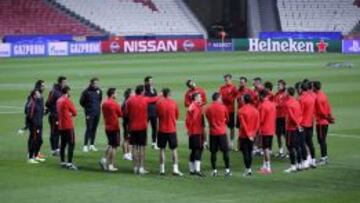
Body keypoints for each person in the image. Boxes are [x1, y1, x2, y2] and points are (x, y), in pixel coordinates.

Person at [125, 85, 159, 175]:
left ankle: (135, 167)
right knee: (142, 148)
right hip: (142, 127)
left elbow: (126, 113)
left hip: (132, 127)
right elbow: (154, 99)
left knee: (134, 148)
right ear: (142, 91)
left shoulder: (129, 100)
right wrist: (161, 94)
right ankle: (141, 168)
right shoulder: (145, 99)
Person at [156, 88, 183, 176]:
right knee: (174, 150)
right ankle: (175, 169)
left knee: (162, 150)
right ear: (169, 93)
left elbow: (157, 115)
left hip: (162, 130)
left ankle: (162, 170)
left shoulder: (159, 103)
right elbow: (177, 116)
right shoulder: (174, 102)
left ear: (163, 94)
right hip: (171, 129)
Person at [205, 92, 232, 177]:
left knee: (213, 152)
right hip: (222, 132)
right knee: (225, 152)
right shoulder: (223, 107)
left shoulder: (208, 108)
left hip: (213, 133)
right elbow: (227, 120)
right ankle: (227, 170)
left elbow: (208, 118)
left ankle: (214, 171)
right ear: (218, 98)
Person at [284, 87, 306, 173]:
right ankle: (300, 164)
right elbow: (300, 114)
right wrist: (299, 125)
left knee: (290, 147)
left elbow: (291, 116)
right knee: (297, 146)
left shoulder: (288, 103)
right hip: (297, 127)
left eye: (286, 91)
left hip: (290, 128)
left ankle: (293, 166)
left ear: (288, 93)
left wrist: (296, 124)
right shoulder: (297, 102)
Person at [99, 88, 122, 172]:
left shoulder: (104, 103)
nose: (116, 94)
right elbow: (120, 114)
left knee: (110, 144)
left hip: (107, 126)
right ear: (112, 94)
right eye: (116, 93)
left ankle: (104, 160)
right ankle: (110, 165)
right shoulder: (114, 103)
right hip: (114, 127)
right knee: (114, 146)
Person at [56, 86, 78, 170]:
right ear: (67, 91)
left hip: (61, 126)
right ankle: (69, 163)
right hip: (68, 125)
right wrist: (70, 114)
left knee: (63, 144)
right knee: (71, 144)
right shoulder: (67, 100)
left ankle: (62, 162)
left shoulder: (58, 100)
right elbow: (75, 113)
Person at [313, 81, 334, 165]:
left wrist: (327, 118)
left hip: (321, 122)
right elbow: (328, 106)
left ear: (314, 87)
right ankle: (324, 158)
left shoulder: (317, 97)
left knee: (321, 140)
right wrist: (329, 116)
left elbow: (321, 111)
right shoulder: (323, 94)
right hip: (325, 121)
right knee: (322, 140)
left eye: (312, 86)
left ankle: (324, 158)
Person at [238, 94, 260, 176]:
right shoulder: (255, 110)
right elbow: (257, 124)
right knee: (250, 151)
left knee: (245, 152)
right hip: (253, 135)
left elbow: (243, 125)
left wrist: (248, 134)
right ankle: (249, 169)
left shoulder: (241, 110)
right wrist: (253, 133)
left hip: (244, 135)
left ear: (244, 100)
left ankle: (247, 169)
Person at [186, 92, 206, 176]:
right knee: (198, 149)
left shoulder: (195, 105)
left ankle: (192, 170)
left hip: (194, 131)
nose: (201, 98)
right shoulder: (194, 106)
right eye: (199, 97)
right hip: (196, 131)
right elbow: (193, 119)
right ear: (195, 98)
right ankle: (197, 170)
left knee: (194, 150)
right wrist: (191, 129)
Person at [80, 77, 102, 152]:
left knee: (94, 128)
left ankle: (92, 145)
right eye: (95, 83)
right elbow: (81, 102)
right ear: (91, 83)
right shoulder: (86, 92)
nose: (96, 85)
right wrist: (88, 109)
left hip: (97, 112)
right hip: (89, 113)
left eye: (97, 83)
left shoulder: (99, 91)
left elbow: (99, 100)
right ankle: (85, 145)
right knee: (89, 128)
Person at [46, 76, 67, 156]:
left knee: (58, 132)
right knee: (54, 132)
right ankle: (54, 149)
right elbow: (48, 103)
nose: (65, 83)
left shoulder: (61, 91)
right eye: (64, 82)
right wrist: (53, 111)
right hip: (55, 116)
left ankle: (56, 148)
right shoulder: (54, 91)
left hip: (60, 115)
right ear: (60, 82)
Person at [299, 81, 317, 168]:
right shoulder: (312, 97)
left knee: (303, 143)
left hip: (303, 124)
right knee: (310, 142)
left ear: (301, 89)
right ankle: (313, 160)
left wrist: (298, 124)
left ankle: (306, 160)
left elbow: (300, 113)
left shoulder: (301, 99)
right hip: (310, 123)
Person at [258, 90, 276, 174]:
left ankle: (268, 167)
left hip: (265, 130)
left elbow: (261, 120)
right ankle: (264, 165)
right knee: (266, 148)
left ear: (261, 96)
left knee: (265, 149)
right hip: (271, 129)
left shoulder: (262, 106)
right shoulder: (272, 104)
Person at [25, 89, 45, 164]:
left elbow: (41, 112)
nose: (39, 94)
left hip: (40, 124)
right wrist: (33, 124)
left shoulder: (39, 102)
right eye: (37, 93)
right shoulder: (32, 103)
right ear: (34, 95)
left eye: (39, 93)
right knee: (34, 140)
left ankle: (36, 156)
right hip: (35, 125)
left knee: (40, 140)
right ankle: (30, 158)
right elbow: (29, 116)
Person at [219, 74, 238, 150]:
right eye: (225, 80)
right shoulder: (222, 88)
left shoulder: (234, 88)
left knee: (231, 127)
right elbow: (220, 98)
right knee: (222, 126)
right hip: (223, 110)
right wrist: (227, 98)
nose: (226, 81)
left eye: (227, 79)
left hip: (230, 111)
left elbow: (233, 99)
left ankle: (231, 143)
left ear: (231, 79)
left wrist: (227, 98)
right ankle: (224, 142)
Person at [273, 79, 287, 158]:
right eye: (278, 85)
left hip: (283, 117)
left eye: (280, 85)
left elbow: (283, 105)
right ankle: (281, 151)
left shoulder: (285, 95)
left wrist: (276, 105)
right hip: (277, 117)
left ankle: (288, 151)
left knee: (285, 135)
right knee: (278, 134)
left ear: (284, 86)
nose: (278, 86)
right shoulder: (276, 94)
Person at [144, 76, 159, 150]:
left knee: (155, 128)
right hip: (146, 112)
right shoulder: (144, 90)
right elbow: (146, 99)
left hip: (154, 112)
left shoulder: (153, 89)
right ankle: (144, 143)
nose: (151, 82)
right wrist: (155, 98)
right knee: (144, 128)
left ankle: (154, 143)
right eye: (150, 81)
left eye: (152, 80)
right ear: (146, 82)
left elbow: (156, 99)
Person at [121, 88, 134, 161]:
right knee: (126, 138)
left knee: (128, 138)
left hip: (128, 122)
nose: (134, 94)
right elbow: (125, 114)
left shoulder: (126, 102)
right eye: (132, 93)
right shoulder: (126, 102)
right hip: (127, 123)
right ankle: (126, 154)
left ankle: (128, 154)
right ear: (129, 94)